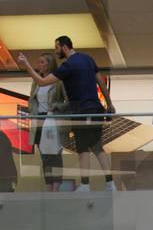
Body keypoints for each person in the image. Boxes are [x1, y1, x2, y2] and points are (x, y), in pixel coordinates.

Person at [18, 36, 116, 191]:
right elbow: (101, 82)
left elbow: (42, 82)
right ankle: (110, 184)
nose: (55, 51)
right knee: (97, 147)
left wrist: (27, 65)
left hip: (81, 111)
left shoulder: (68, 65)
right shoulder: (88, 59)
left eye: (57, 47)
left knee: (83, 148)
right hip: (96, 109)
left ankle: (85, 185)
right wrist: (109, 104)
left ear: (64, 47)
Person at [28, 53, 69, 191]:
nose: (39, 65)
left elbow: (68, 101)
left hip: (52, 119)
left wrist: (56, 106)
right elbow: (32, 100)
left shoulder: (58, 81)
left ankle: (56, 187)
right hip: (39, 120)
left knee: (54, 154)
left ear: (49, 64)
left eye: (42, 62)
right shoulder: (36, 81)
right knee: (44, 156)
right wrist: (31, 111)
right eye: (38, 62)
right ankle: (48, 186)